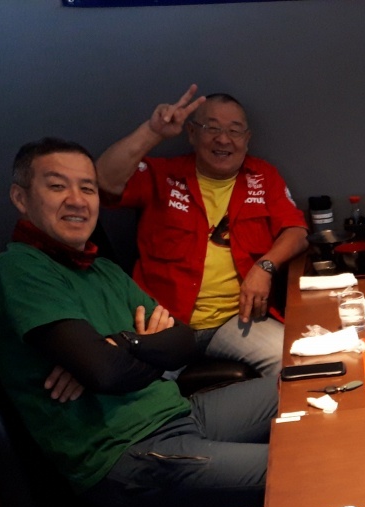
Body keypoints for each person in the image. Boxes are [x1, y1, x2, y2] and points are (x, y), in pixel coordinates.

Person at [0, 138, 275, 507]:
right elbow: (104, 372)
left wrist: (119, 343)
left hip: (177, 412)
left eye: (88, 188)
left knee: (307, 386)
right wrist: (122, 353)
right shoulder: (19, 269)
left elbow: (183, 342)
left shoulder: (101, 268)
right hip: (127, 452)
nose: (77, 200)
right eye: (57, 186)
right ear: (20, 198)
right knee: (299, 467)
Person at [96, 84, 307, 378]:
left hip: (236, 320)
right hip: (165, 323)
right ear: (192, 133)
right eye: (212, 128)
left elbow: (297, 231)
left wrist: (265, 266)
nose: (223, 139)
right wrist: (153, 132)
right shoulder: (162, 175)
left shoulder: (263, 176)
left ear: (247, 139)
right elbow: (103, 180)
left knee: (295, 364)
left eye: (234, 131)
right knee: (140, 392)